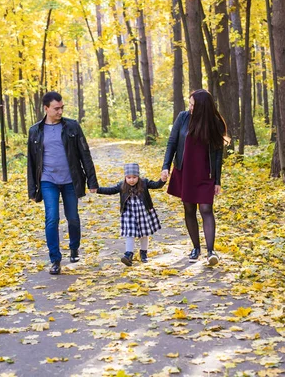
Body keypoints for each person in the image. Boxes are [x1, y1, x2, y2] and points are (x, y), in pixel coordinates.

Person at [27, 91, 98, 275]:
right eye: (56, 108)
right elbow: (31, 162)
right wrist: (32, 190)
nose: (60, 111)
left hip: (70, 180)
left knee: (72, 217)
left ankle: (74, 248)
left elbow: (85, 154)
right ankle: (55, 260)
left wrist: (92, 179)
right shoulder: (35, 131)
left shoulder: (72, 127)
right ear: (46, 108)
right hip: (47, 180)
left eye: (62, 108)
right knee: (52, 218)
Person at [161, 89, 227, 266]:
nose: (190, 107)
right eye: (189, 104)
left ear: (203, 107)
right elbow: (172, 143)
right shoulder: (183, 118)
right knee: (189, 210)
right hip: (185, 171)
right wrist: (165, 166)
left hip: (205, 174)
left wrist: (218, 181)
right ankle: (196, 247)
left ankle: (211, 252)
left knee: (206, 209)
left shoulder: (214, 123)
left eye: (193, 105)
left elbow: (218, 154)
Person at [97, 163, 165, 266]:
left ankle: (143, 253)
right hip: (129, 214)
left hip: (143, 213)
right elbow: (110, 190)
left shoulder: (144, 183)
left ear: (138, 176)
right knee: (129, 233)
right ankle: (128, 254)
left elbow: (156, 185)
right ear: (125, 177)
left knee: (144, 234)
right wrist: (97, 189)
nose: (131, 180)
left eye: (134, 177)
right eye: (129, 177)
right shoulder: (121, 185)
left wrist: (162, 180)